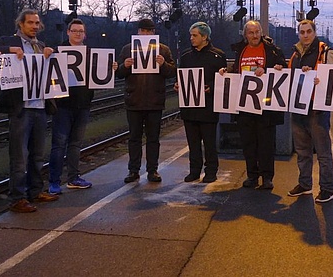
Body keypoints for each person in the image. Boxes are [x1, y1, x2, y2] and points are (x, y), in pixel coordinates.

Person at [0, 9, 59, 213]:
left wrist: (51, 54)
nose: (35, 26)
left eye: (37, 23)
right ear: (21, 24)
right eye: (31, 23)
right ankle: (17, 197)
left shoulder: (40, 46)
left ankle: (35, 191)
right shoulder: (10, 41)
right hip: (21, 109)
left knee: (37, 155)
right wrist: (8, 50)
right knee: (19, 157)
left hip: (40, 107)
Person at [48, 19, 117, 194]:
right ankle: (54, 181)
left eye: (81, 31)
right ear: (68, 32)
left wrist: (110, 67)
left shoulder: (90, 54)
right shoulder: (57, 51)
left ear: (84, 34)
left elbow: (99, 74)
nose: (78, 34)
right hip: (63, 105)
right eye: (75, 30)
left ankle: (73, 178)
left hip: (83, 105)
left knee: (75, 144)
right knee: (59, 144)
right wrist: (46, 53)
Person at [221, 20, 286, 190]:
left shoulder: (272, 50)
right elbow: (236, 71)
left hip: (266, 105)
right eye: (251, 32)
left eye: (257, 32)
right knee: (248, 142)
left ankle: (267, 177)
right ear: (245, 35)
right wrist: (225, 73)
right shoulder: (240, 50)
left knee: (266, 142)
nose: (255, 35)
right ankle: (252, 175)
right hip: (245, 105)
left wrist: (273, 67)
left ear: (262, 33)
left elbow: (283, 68)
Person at [116, 18, 176, 184]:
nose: (145, 34)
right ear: (138, 32)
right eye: (143, 31)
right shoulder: (128, 49)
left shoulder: (162, 50)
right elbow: (118, 74)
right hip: (134, 100)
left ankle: (152, 170)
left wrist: (163, 64)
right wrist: (125, 66)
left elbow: (172, 72)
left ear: (153, 33)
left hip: (154, 100)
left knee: (153, 138)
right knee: (134, 138)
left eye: (148, 31)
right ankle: (133, 170)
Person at [286, 20, 333, 203]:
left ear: (315, 32)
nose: (305, 35)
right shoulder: (296, 54)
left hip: (317, 109)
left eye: (309, 31)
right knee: (302, 151)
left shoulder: (325, 52)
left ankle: (327, 188)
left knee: (323, 152)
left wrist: (320, 79)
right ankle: (305, 184)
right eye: (302, 32)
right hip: (298, 108)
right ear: (298, 34)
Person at [176, 22, 227, 183]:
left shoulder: (217, 55)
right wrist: (178, 85)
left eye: (195, 35)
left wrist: (210, 87)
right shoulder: (185, 56)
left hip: (208, 107)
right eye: (191, 35)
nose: (191, 38)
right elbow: (182, 76)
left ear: (204, 37)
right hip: (189, 107)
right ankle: (194, 170)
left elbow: (223, 80)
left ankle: (211, 171)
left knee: (209, 142)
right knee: (193, 142)